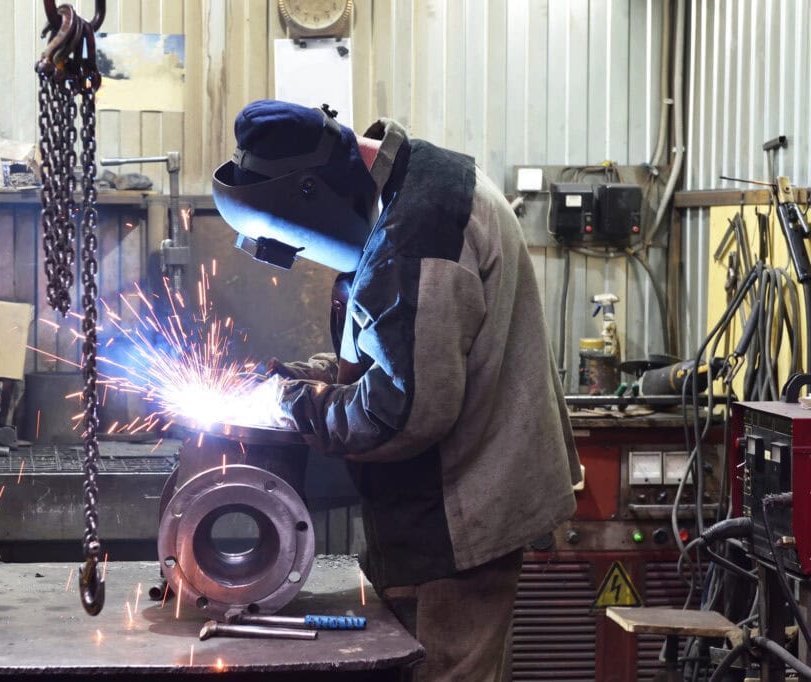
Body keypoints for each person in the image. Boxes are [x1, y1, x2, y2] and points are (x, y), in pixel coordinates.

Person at [212, 100, 581, 682]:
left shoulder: (420, 233)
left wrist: (296, 406)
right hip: (445, 509)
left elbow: (402, 412)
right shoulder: (414, 186)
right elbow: (404, 347)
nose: (309, 255)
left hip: (458, 528)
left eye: (300, 241)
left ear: (313, 192)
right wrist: (319, 378)